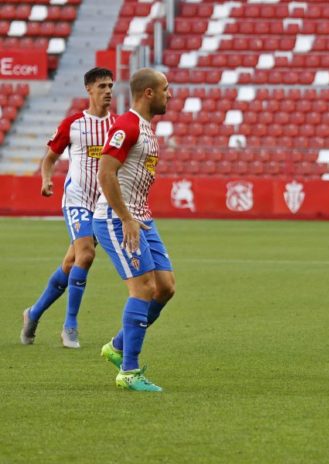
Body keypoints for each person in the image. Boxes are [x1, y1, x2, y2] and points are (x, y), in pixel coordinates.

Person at [21, 67, 116, 348]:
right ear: (89, 89)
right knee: (86, 255)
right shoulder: (73, 124)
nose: (108, 91)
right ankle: (70, 326)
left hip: (102, 203)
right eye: (102, 86)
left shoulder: (118, 126)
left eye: (110, 86)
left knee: (71, 263)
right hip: (77, 199)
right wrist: (46, 179)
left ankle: (33, 313)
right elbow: (50, 158)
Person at [93, 68, 174, 392]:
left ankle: (117, 346)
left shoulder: (145, 129)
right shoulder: (126, 126)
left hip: (141, 218)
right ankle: (129, 371)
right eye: (165, 89)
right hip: (117, 219)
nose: (170, 94)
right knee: (143, 288)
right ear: (148, 93)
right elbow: (105, 173)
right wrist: (125, 217)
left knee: (165, 287)